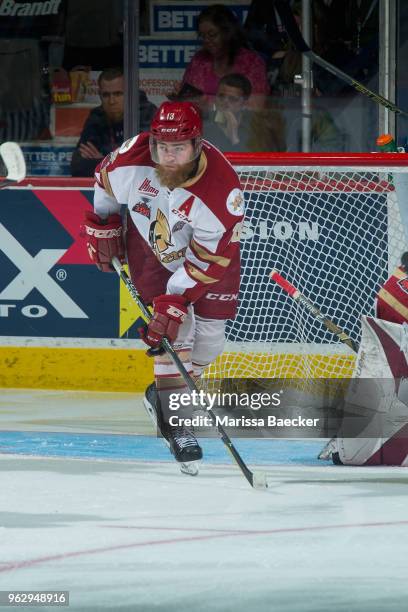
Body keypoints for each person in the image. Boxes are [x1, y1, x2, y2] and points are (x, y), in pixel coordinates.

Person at [82, 101, 244, 475]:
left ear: (197, 144)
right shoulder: (132, 158)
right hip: (150, 250)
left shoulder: (221, 191)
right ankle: (178, 423)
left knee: (210, 341)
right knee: (178, 333)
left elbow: (206, 260)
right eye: (161, 147)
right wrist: (102, 222)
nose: (168, 157)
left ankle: (164, 395)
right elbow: (103, 181)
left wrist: (177, 299)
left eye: (178, 148)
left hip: (206, 258)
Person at [179, 4, 269, 110]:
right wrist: (181, 97)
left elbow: (255, 107)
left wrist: (210, 107)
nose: (207, 40)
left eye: (212, 35)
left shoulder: (252, 62)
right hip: (200, 124)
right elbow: (188, 99)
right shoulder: (199, 60)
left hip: (240, 125)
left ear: (228, 33)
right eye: (203, 36)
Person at [71, 67, 156, 177]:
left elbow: (141, 165)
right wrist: (117, 161)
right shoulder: (97, 116)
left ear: (130, 93)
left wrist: (103, 160)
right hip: (106, 189)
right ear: (100, 95)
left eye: (118, 94)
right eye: (106, 95)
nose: (112, 101)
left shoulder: (147, 113)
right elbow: (78, 166)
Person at [204, 73, 285, 153]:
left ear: (244, 103)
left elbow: (255, 162)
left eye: (233, 99)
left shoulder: (256, 128)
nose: (225, 102)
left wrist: (234, 139)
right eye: (221, 96)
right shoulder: (205, 124)